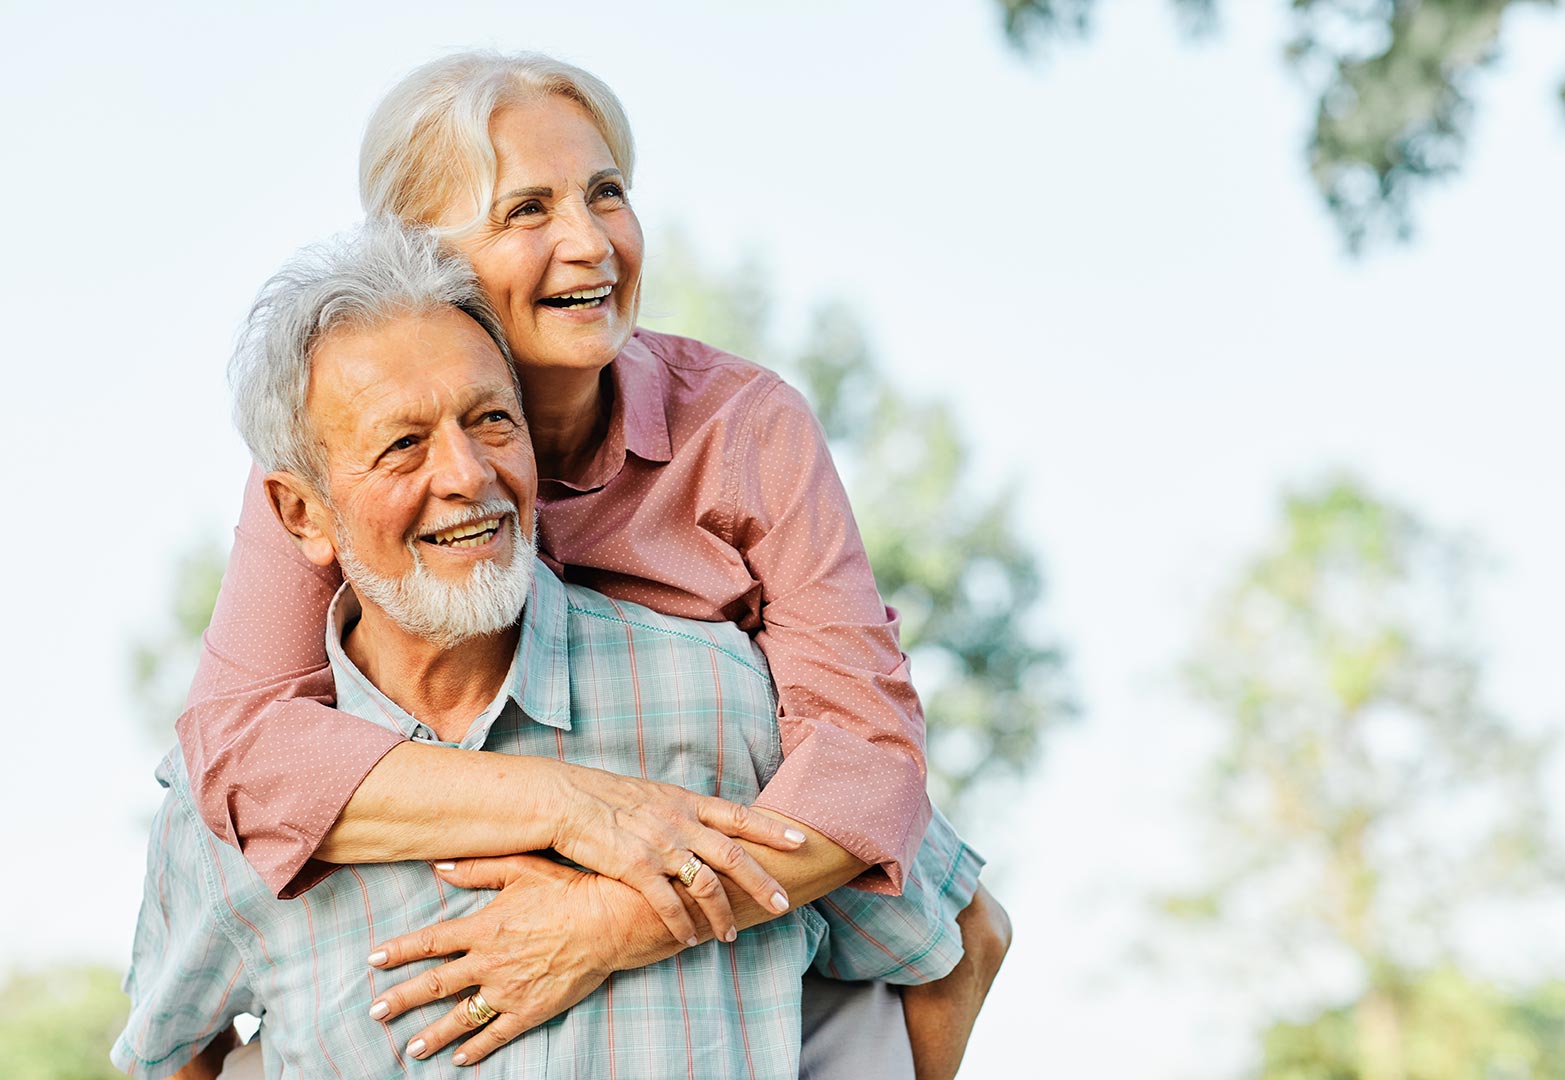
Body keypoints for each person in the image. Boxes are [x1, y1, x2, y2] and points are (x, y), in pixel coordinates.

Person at [173, 50, 1007, 1077]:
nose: (590, 242)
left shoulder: (742, 423)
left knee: (965, 933)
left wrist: (605, 927)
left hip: (721, 827)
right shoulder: (341, 440)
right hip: (530, 819)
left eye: (607, 193)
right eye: (528, 208)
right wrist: (577, 809)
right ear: (417, 256)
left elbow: (872, 761)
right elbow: (240, 749)